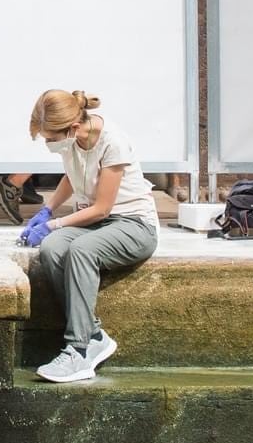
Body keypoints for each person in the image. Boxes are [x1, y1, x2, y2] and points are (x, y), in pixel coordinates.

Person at [18, 88, 159, 383]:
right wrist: (47, 210)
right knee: (53, 248)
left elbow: (102, 209)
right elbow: (72, 176)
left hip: (132, 225)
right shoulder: (74, 139)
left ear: (72, 128)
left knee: (81, 250)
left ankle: (79, 350)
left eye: (50, 140)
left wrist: (55, 224)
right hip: (95, 222)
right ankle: (94, 334)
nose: (49, 145)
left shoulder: (113, 142)